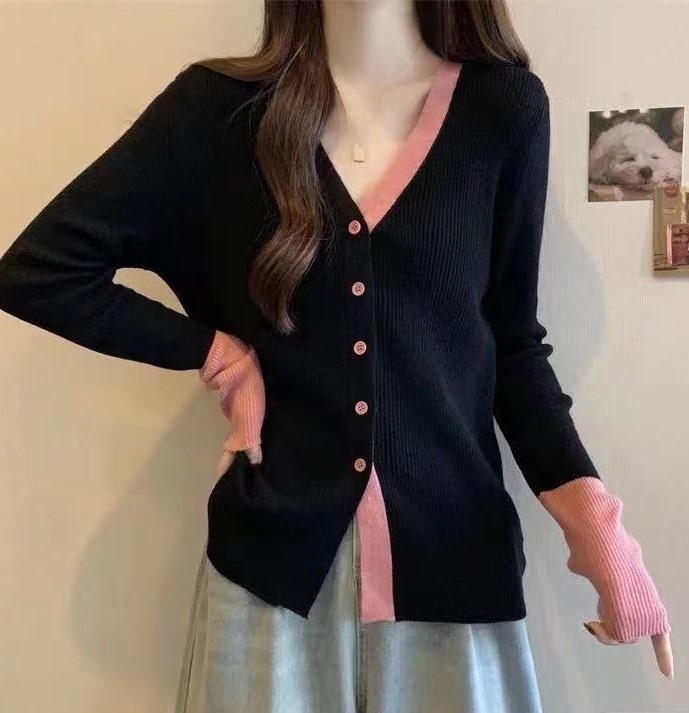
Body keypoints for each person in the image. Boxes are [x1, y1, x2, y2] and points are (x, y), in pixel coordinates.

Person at [0, 1, 674, 711]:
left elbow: (513, 346)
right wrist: (218, 352)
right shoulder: (216, 112)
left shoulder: (502, 111)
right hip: (269, 582)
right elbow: (42, 271)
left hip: (451, 568)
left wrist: (599, 535)